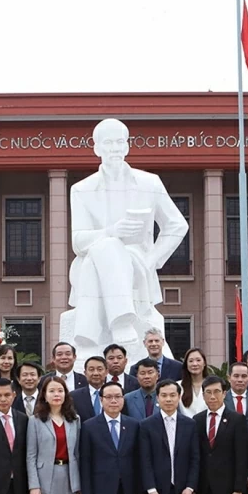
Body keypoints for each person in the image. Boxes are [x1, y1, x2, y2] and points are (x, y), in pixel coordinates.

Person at [60, 118, 189, 354]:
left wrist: (152, 260)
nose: (115, 148)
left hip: (137, 261)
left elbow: (177, 225)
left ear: (128, 146)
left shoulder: (149, 183)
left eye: (120, 142)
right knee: (107, 245)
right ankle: (121, 321)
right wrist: (112, 232)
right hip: (92, 261)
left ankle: (90, 330)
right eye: (108, 143)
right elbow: (78, 241)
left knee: (106, 248)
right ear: (97, 148)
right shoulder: (82, 189)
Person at [69, 355, 109, 494]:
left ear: (106, 371)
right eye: (91, 369)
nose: (95, 373)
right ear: (84, 373)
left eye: (99, 369)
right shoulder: (75, 397)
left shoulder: (114, 394)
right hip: (84, 459)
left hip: (109, 463)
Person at [124, 358, 161, 494]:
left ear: (157, 374)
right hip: (134, 461)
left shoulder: (166, 395)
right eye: (142, 373)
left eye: (150, 372)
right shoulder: (128, 399)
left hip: (160, 461)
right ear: (136, 376)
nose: (146, 376)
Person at [179, 348, 210, 418]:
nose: (195, 364)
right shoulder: (178, 386)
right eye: (191, 361)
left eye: (198, 360)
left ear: (204, 363)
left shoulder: (212, 385)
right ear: (186, 364)